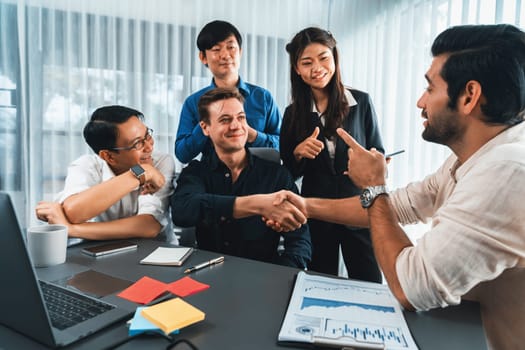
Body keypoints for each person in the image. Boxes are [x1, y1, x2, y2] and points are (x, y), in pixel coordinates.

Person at [271, 24, 525, 350]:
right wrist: (304, 205)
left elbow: (411, 287)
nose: (420, 101)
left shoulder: (506, 170)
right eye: (306, 62)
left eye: (430, 88)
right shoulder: (470, 157)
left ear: (469, 96)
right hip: (465, 329)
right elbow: (405, 204)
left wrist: (374, 185)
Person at [280, 27, 385, 281]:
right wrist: (298, 152)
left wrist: (375, 163)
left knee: (369, 280)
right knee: (320, 281)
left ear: (335, 59)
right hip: (317, 212)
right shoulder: (293, 114)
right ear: (297, 69)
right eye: (307, 62)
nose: (317, 67)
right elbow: (288, 173)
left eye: (324, 58)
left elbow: (377, 150)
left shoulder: (361, 102)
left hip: (357, 208)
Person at [171, 88, 311, 268]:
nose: (236, 126)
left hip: (263, 275)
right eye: (225, 120)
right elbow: (183, 211)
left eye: (241, 117)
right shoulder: (196, 172)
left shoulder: (276, 174)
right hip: (209, 274)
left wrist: (283, 274)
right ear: (205, 128)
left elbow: (300, 241)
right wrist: (257, 204)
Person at [35, 105, 177, 243]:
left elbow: (149, 225)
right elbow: (73, 213)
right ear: (109, 157)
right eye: (138, 143)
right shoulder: (86, 166)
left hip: (155, 253)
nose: (149, 146)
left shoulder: (161, 162)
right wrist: (140, 173)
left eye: (147, 135)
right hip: (101, 252)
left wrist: (71, 230)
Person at [175, 20, 281, 164]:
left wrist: (252, 135)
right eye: (216, 49)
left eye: (231, 47)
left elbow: (283, 145)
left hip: (258, 177)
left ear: (240, 52)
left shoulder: (262, 97)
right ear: (203, 57)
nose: (225, 55)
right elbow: (182, 154)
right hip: (211, 178)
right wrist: (207, 125)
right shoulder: (193, 102)